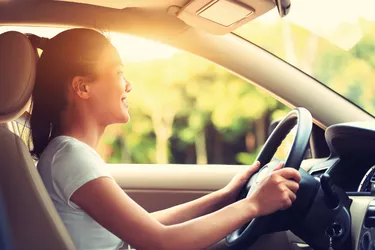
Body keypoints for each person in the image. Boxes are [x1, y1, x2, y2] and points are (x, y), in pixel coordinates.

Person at [30, 28, 301, 250]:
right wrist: (253, 204)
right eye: (119, 73)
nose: (128, 85)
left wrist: (225, 196)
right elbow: (160, 242)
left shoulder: (67, 154)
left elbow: (147, 228)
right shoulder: (70, 156)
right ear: (82, 87)